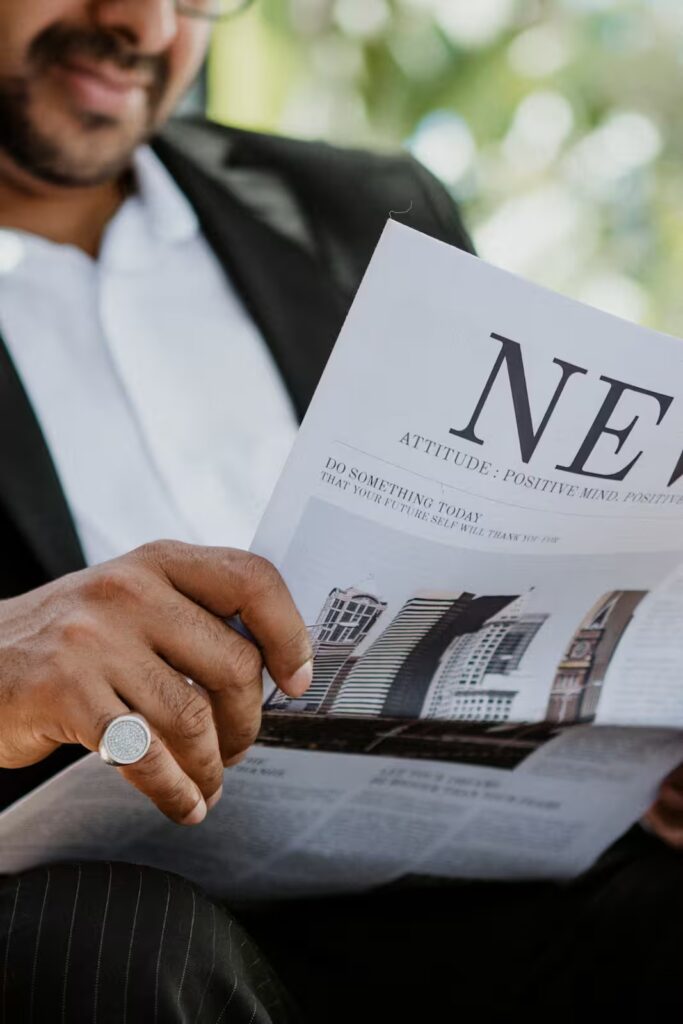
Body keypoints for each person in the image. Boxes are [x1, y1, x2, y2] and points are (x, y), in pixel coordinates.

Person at [0, 1, 680, 1021]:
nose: (144, 23)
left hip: (470, 891)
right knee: (100, 943)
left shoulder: (369, 213)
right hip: (108, 924)